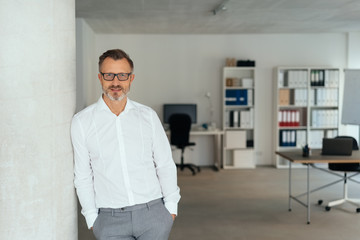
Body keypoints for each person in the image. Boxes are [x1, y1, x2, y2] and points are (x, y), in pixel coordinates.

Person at [71, 49, 180, 240]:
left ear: (131, 78)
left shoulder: (148, 116)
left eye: (122, 75)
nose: (115, 82)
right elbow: (82, 175)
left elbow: (165, 164)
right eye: (109, 75)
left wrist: (171, 208)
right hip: (109, 220)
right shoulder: (82, 122)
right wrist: (91, 218)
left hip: (153, 215)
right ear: (100, 77)